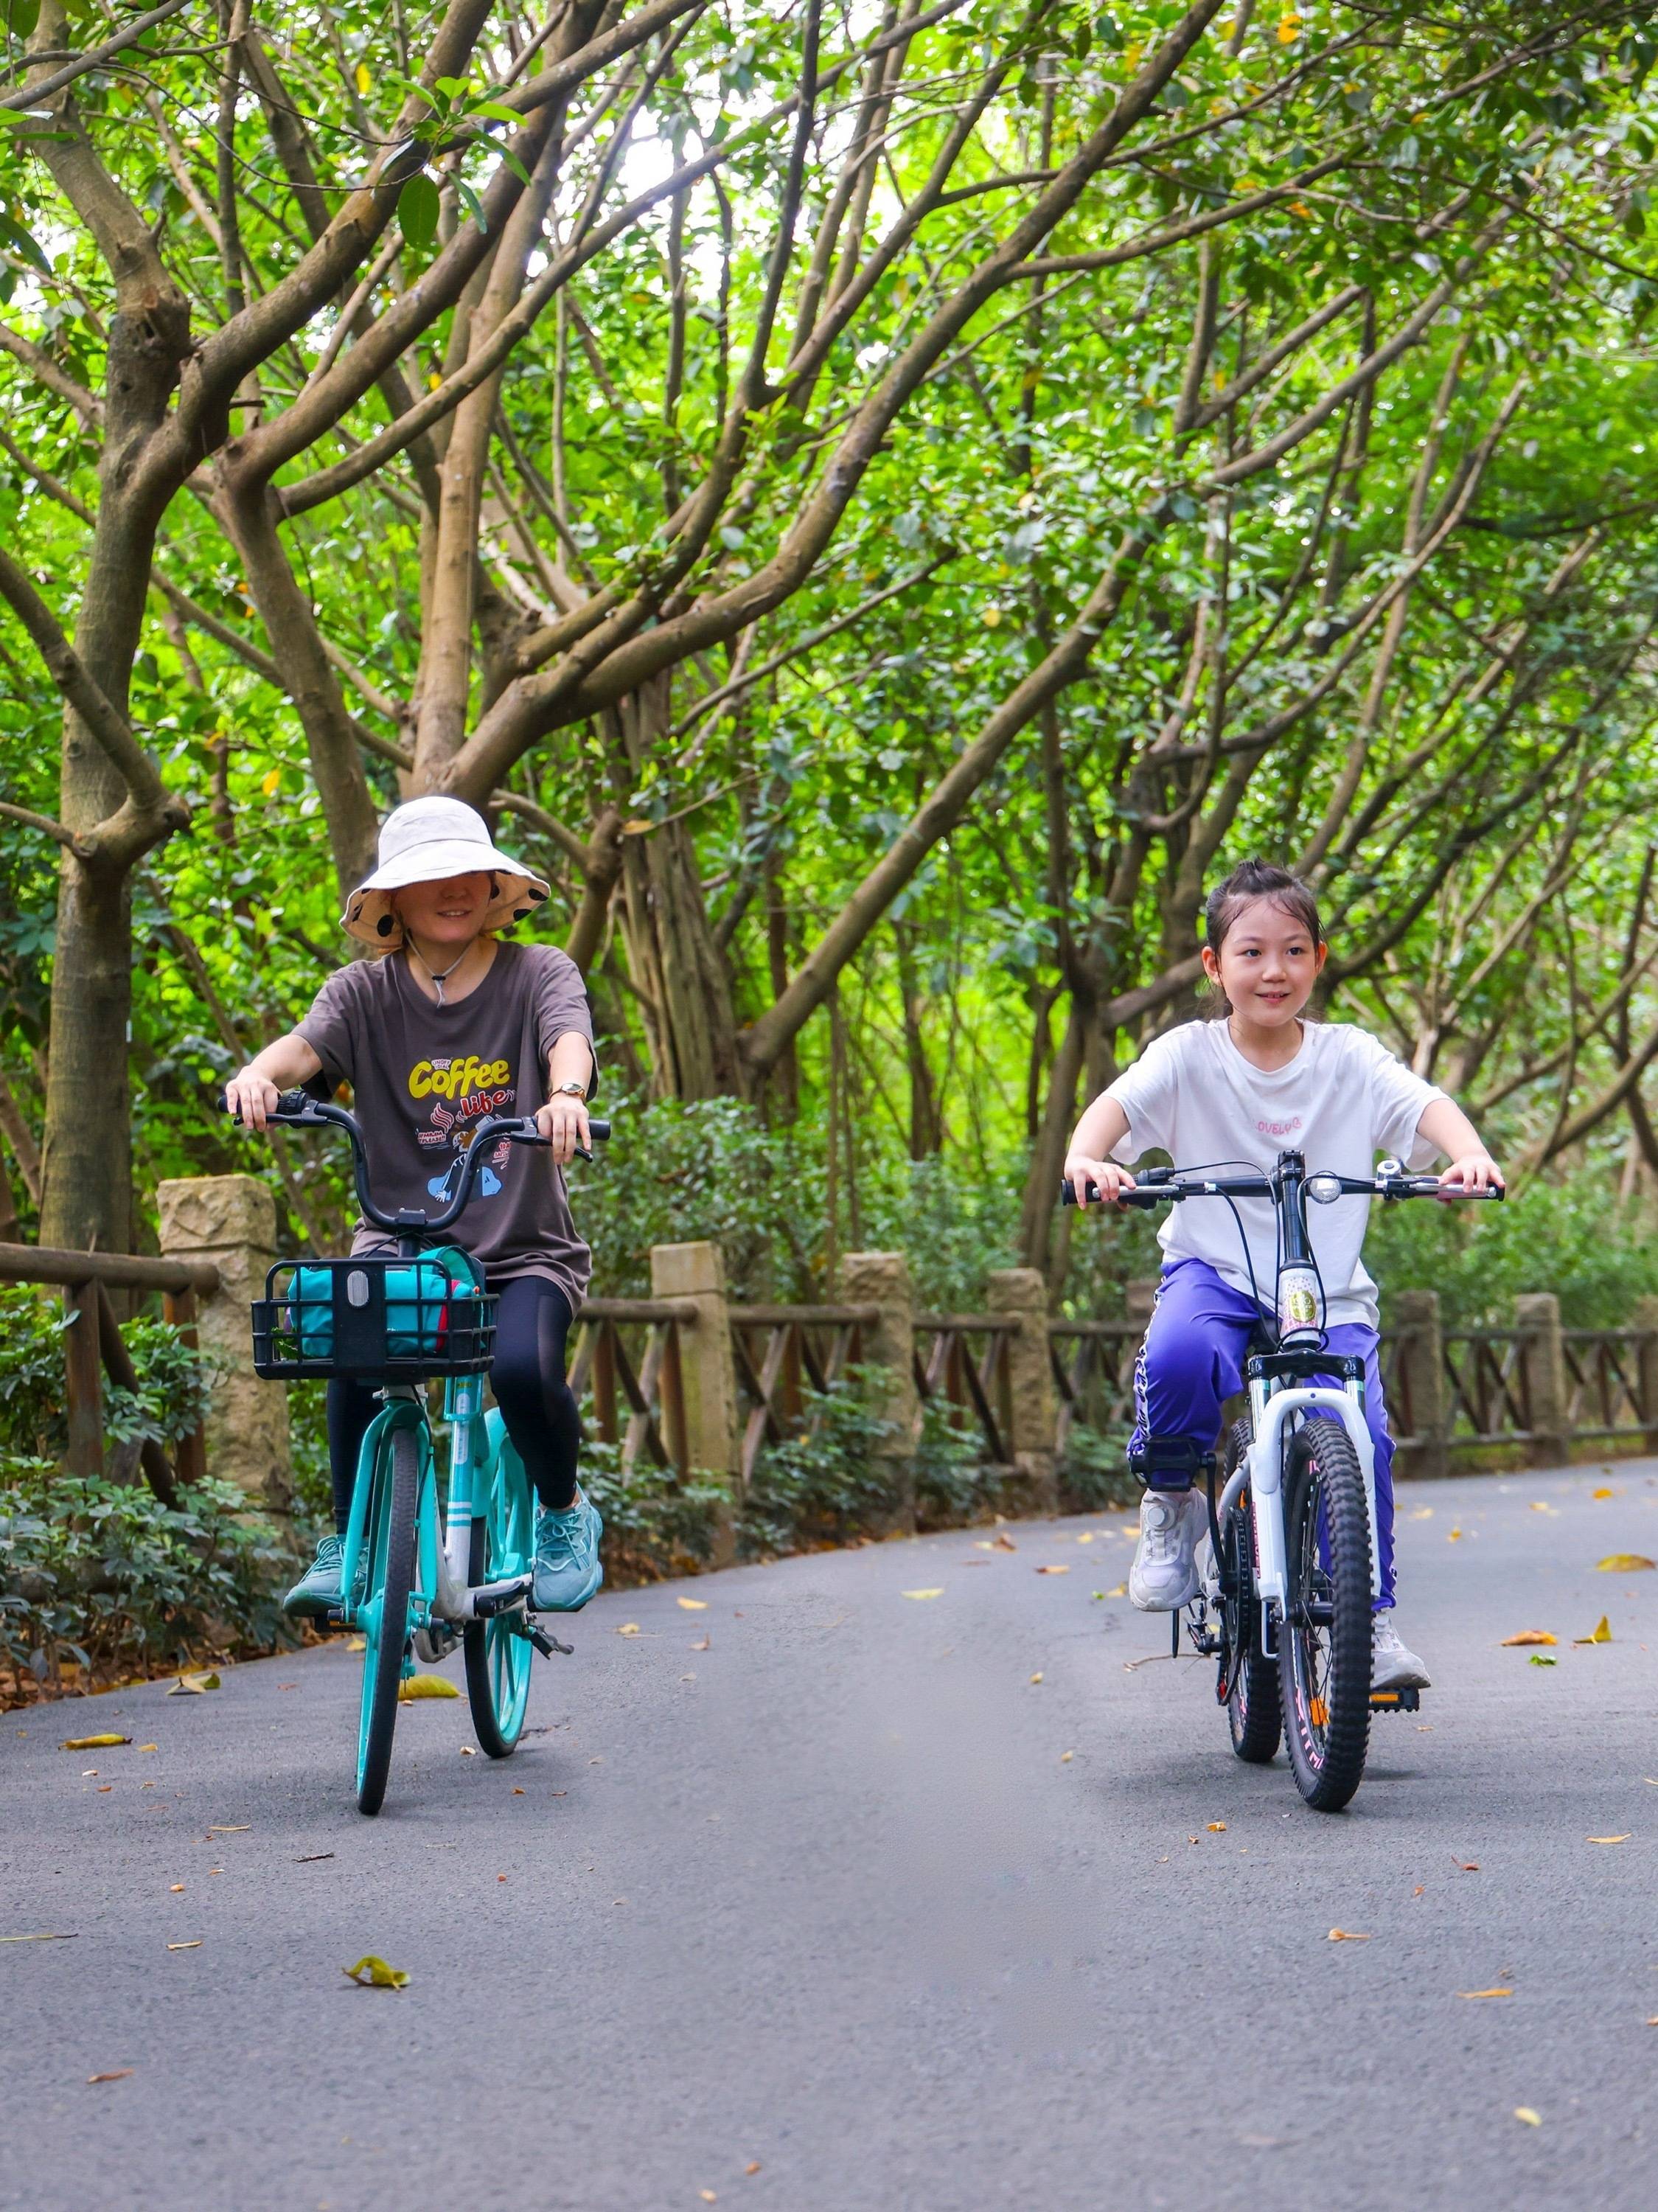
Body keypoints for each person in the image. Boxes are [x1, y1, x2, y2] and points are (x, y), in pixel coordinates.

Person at [1062, 859, 1503, 1691]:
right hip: (1215, 1269)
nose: (1273, 971)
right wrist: (1087, 1158)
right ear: (1212, 965)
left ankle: (1364, 1623)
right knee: (1179, 1357)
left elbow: (1421, 1106)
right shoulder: (1186, 1056)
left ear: (1317, 960)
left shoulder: (1347, 1057)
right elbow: (1113, 1110)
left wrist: (1467, 1154)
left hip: (1326, 1290)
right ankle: (1169, 1501)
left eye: (1293, 951)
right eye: (1251, 952)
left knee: (1364, 1434)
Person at [225, 795, 604, 1618]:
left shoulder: (538, 972)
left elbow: (566, 1037)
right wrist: (258, 1075)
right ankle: (345, 1543)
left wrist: (565, 1094)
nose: (453, 888)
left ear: (493, 883)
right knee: (349, 1337)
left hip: (522, 1246)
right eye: (429, 876)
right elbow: (303, 1048)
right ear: (391, 900)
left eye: (468, 871)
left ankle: (564, 1515)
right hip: (403, 1243)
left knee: (520, 1368)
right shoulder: (361, 993)